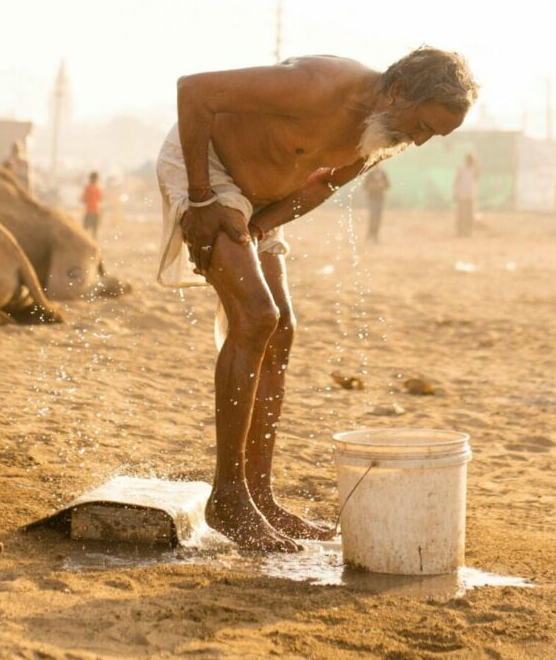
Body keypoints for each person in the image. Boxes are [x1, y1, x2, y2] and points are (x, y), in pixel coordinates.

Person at [156, 47, 476, 550]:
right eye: (422, 126)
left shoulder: (383, 133)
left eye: (432, 137)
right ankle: (228, 496)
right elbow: (192, 91)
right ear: (397, 92)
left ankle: (259, 496)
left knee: (282, 327)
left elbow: (325, 182)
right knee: (257, 316)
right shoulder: (319, 86)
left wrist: (262, 225)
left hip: (262, 201)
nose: (419, 141)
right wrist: (199, 198)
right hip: (208, 172)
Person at [362, 165, 391, 243]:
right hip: (372, 198)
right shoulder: (370, 174)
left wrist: (382, 185)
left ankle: (375, 234)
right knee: (373, 217)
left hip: (380, 199)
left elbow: (388, 185)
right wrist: (372, 186)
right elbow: (365, 186)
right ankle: (371, 233)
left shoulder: (383, 174)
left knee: (378, 218)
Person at [453, 153, 479, 237]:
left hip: (471, 195)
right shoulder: (461, 168)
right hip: (462, 195)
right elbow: (457, 180)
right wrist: (456, 192)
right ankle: (460, 232)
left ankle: (469, 232)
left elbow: (476, 179)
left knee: (470, 215)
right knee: (462, 215)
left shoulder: (474, 169)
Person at [81, 171, 104, 240]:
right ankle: (93, 242)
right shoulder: (98, 188)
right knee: (94, 229)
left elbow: (84, 199)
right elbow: (100, 198)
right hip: (96, 210)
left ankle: (86, 242)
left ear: (90, 178)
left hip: (89, 211)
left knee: (85, 228)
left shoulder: (88, 188)